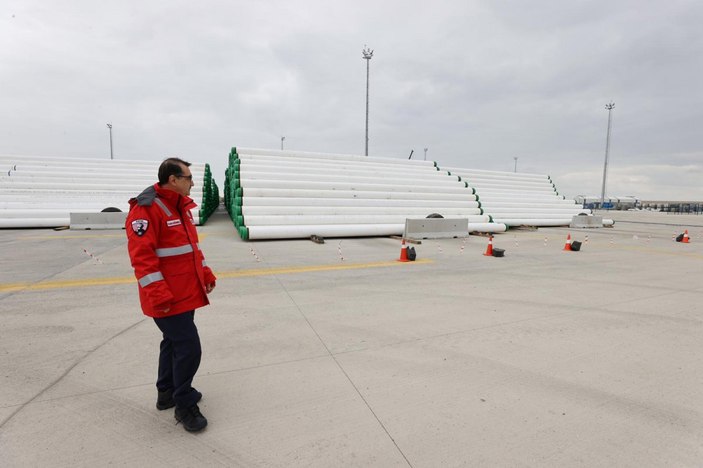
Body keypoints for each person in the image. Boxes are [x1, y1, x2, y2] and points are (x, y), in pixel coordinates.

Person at [126, 157, 216, 432]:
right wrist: (158, 294)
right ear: (173, 179)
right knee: (189, 347)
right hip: (166, 298)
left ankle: (166, 392)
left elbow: (190, 251)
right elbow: (142, 259)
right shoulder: (146, 210)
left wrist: (205, 274)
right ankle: (184, 403)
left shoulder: (182, 208)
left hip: (185, 292)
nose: (192, 183)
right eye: (188, 177)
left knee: (173, 343)